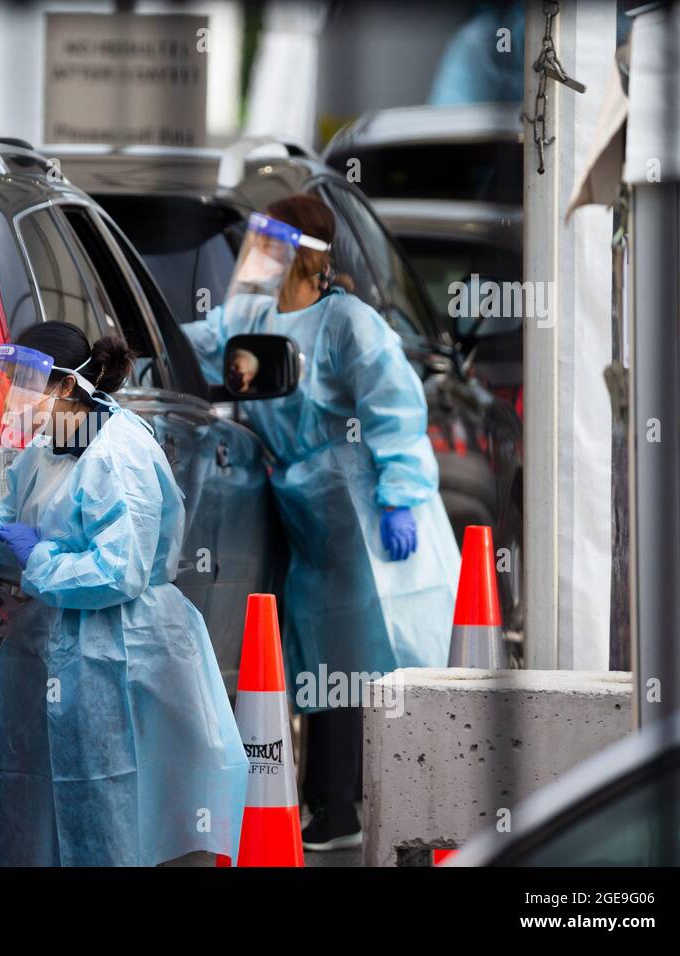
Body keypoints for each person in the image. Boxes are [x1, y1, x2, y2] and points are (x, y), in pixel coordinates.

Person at [0, 322, 249, 866]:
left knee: (108, 797)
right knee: (36, 791)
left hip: (118, 650)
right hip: (53, 644)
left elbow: (121, 571)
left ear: (67, 386)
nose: (17, 396)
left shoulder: (117, 455)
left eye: (27, 382)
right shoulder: (54, 443)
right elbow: (12, 516)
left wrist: (38, 559)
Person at [184, 194, 459, 852]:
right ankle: (332, 805)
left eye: (272, 242)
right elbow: (194, 351)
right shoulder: (251, 312)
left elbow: (395, 407)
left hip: (366, 510)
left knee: (384, 651)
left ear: (304, 253)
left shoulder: (349, 323)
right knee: (328, 653)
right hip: (311, 508)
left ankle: (378, 807)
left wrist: (400, 492)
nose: (260, 255)